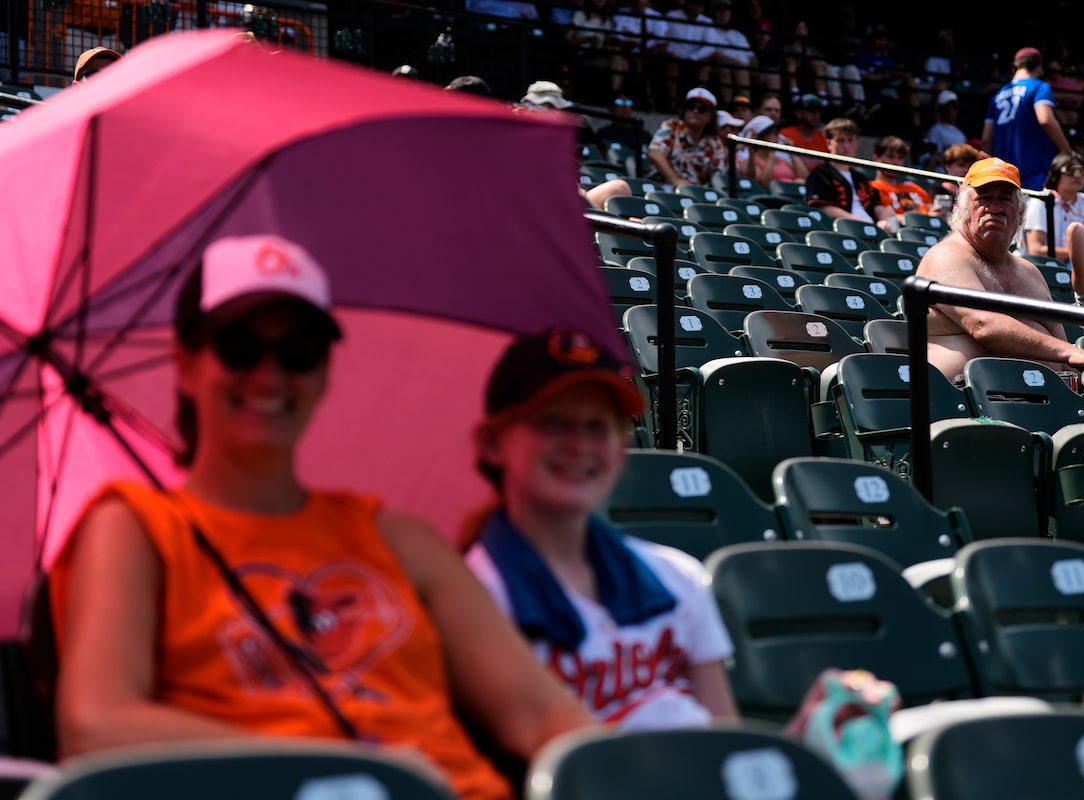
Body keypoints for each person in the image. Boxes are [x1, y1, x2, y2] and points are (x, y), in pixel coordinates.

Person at [49, 235, 597, 800]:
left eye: (299, 352)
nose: (269, 375)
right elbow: (97, 725)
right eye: (240, 347)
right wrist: (334, 765)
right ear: (186, 366)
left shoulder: (397, 538)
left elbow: (539, 713)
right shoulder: (137, 529)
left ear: (325, 373)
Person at [463, 328, 738, 729]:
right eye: (553, 423)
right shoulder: (471, 597)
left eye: (598, 426)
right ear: (492, 442)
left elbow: (727, 744)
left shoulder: (678, 576)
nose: (579, 445)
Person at [914, 157, 1084, 387]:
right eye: (984, 198)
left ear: (1020, 214)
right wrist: (1070, 352)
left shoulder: (1029, 271)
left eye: (1004, 199)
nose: (994, 208)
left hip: (1041, 397)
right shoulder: (946, 256)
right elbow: (982, 325)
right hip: (958, 399)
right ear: (963, 208)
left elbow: (1063, 349)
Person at [979, 47, 1072, 194]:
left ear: (1015, 67)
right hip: (1034, 173)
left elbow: (986, 140)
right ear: (1039, 68)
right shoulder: (1039, 87)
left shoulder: (997, 96)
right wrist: (1067, 151)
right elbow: (1046, 120)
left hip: (1003, 176)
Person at [1018, 151, 1084, 261]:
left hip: (1082, 266)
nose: (1077, 175)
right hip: (1045, 268)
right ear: (1056, 173)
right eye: (1070, 170)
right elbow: (1036, 250)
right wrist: (1079, 252)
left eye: (1083, 171)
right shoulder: (1041, 202)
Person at [804, 116, 888, 226]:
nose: (846, 146)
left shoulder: (862, 178)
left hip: (872, 230)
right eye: (840, 141)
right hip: (844, 229)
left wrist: (884, 221)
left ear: (856, 143)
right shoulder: (820, 174)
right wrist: (861, 222)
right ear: (829, 143)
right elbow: (825, 209)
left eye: (850, 140)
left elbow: (878, 206)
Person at [646, 87, 727, 187]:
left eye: (701, 109)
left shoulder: (714, 142)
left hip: (696, 192)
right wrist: (675, 180)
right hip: (664, 187)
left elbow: (718, 176)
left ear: (711, 116)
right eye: (691, 107)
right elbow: (655, 153)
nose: (695, 111)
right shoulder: (672, 127)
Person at [869, 136, 936, 229]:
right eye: (891, 157)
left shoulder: (913, 187)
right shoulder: (873, 187)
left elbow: (933, 211)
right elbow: (890, 220)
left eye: (900, 158)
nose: (896, 162)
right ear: (876, 158)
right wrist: (927, 217)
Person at [737, 114, 806, 184]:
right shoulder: (750, 161)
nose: (777, 136)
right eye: (772, 133)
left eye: (776, 133)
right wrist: (771, 154)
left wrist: (792, 153)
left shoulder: (783, 161)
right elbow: (763, 183)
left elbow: (805, 177)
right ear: (760, 137)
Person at [778, 93, 830, 172]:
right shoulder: (786, 134)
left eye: (818, 111)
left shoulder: (822, 136)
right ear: (798, 114)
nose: (816, 115)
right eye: (811, 111)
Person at [923, 90, 967, 157]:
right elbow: (933, 156)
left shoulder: (961, 134)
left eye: (955, 106)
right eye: (948, 107)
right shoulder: (936, 130)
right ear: (941, 109)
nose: (951, 110)